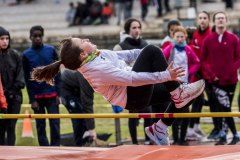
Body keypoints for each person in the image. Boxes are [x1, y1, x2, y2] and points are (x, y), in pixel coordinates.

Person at [31, 37, 205, 145]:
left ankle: (159, 128)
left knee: (187, 95)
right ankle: (178, 92)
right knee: (154, 52)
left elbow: (129, 55)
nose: (86, 39)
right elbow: (131, 79)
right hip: (132, 97)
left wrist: (158, 60)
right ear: (82, 54)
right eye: (82, 41)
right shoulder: (95, 70)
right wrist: (165, 75)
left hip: (134, 89)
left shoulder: (96, 54)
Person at [201, 11, 240, 145]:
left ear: (226, 21)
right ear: (214, 22)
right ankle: (230, 134)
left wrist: (230, 72)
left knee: (226, 108)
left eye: (223, 18)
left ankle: (229, 134)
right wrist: (212, 75)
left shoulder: (233, 38)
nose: (221, 20)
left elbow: (238, 58)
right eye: (218, 18)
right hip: (216, 81)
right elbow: (203, 59)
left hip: (231, 81)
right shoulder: (208, 40)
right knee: (223, 108)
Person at [113, 18, 152, 145]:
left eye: (138, 27)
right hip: (129, 85)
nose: (137, 30)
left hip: (145, 84)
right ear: (128, 29)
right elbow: (116, 66)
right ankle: (134, 142)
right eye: (134, 27)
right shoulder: (121, 46)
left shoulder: (145, 44)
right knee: (133, 114)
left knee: (148, 112)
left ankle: (147, 139)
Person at [22, 25, 61, 146]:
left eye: (40, 36)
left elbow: (58, 73)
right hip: (37, 98)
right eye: (35, 36)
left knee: (55, 124)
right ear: (30, 37)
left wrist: (59, 94)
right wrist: (32, 99)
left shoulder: (51, 50)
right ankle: (44, 150)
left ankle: (56, 149)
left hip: (52, 94)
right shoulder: (26, 55)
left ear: (42, 36)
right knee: (40, 125)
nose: (37, 38)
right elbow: (27, 80)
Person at [163, 26, 200, 145]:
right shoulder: (170, 49)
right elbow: (162, 61)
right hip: (173, 84)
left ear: (185, 37)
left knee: (186, 111)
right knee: (173, 110)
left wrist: (190, 73)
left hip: (185, 83)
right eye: (177, 37)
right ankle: (175, 138)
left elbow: (196, 62)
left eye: (182, 37)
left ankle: (183, 138)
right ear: (173, 37)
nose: (179, 39)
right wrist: (167, 74)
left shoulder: (188, 49)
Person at [187, 11, 211, 140]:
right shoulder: (194, 36)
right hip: (197, 75)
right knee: (197, 101)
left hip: (209, 75)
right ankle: (191, 128)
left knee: (207, 101)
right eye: (200, 18)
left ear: (208, 20)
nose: (202, 20)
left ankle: (195, 126)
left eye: (204, 18)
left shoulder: (211, 35)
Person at [0, 26, 25, 146]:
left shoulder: (16, 55)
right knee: (1, 128)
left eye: (7, 38)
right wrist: (3, 93)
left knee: (11, 127)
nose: (5, 41)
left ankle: (11, 154)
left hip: (15, 98)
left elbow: (21, 76)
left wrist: (11, 91)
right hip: (0, 99)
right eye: (1, 38)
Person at [60, 68, 96, 146]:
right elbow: (87, 102)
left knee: (84, 115)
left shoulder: (93, 75)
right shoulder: (87, 76)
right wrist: (91, 128)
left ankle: (86, 141)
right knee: (77, 116)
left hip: (76, 88)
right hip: (66, 90)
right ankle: (79, 145)